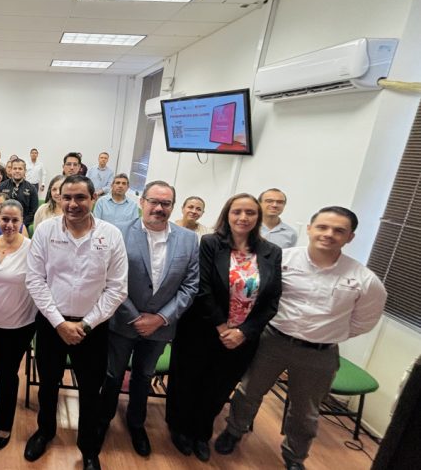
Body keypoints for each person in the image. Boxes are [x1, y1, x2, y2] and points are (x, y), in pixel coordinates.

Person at [215, 206, 387, 470]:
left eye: (339, 230)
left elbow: (363, 322)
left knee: (305, 412)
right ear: (309, 228)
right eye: (322, 227)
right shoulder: (280, 260)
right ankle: (233, 432)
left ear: (350, 237)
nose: (328, 234)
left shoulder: (364, 280)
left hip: (320, 353)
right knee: (249, 391)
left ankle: (295, 456)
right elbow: (260, 298)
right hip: (273, 340)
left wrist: (324, 334)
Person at [165, 193, 282, 462]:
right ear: (227, 215)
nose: (243, 217)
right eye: (237, 212)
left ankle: (201, 433)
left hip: (242, 338)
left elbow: (272, 298)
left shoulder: (270, 252)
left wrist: (244, 331)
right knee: (188, 381)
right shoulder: (210, 243)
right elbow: (202, 288)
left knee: (218, 387)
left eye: (250, 213)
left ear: (258, 217)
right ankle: (179, 429)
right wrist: (221, 326)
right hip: (202, 328)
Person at [24, 175, 128, 470]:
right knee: (47, 384)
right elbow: (35, 279)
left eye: (80, 197)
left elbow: (118, 287)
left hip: (92, 329)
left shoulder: (111, 235)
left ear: (93, 198)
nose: (73, 204)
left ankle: (89, 447)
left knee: (90, 389)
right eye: (67, 197)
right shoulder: (45, 231)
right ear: (58, 198)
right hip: (50, 324)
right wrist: (59, 323)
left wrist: (86, 324)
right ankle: (45, 431)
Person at [98, 180, 199, 457]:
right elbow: (109, 278)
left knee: (144, 376)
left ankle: (136, 423)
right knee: (112, 374)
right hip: (123, 321)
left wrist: (160, 319)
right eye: (154, 201)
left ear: (172, 207)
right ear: (142, 202)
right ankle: (102, 420)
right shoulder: (119, 232)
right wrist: (134, 317)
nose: (159, 208)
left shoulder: (189, 239)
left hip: (161, 327)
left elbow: (190, 286)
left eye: (165, 203)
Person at [0, 200, 36, 450]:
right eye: (5, 219)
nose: (9, 224)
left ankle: (5, 422)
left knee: (8, 372)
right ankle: (2, 404)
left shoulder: (32, 249)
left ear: (22, 220)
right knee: (0, 369)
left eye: (15, 220)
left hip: (21, 322)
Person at [0, 158, 38, 227]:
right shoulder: (2, 186)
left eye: (20, 169)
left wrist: (20, 224)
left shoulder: (32, 189)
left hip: (22, 226)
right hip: (3, 225)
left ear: (25, 171)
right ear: (11, 170)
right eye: (15, 168)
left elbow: (33, 212)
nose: (17, 171)